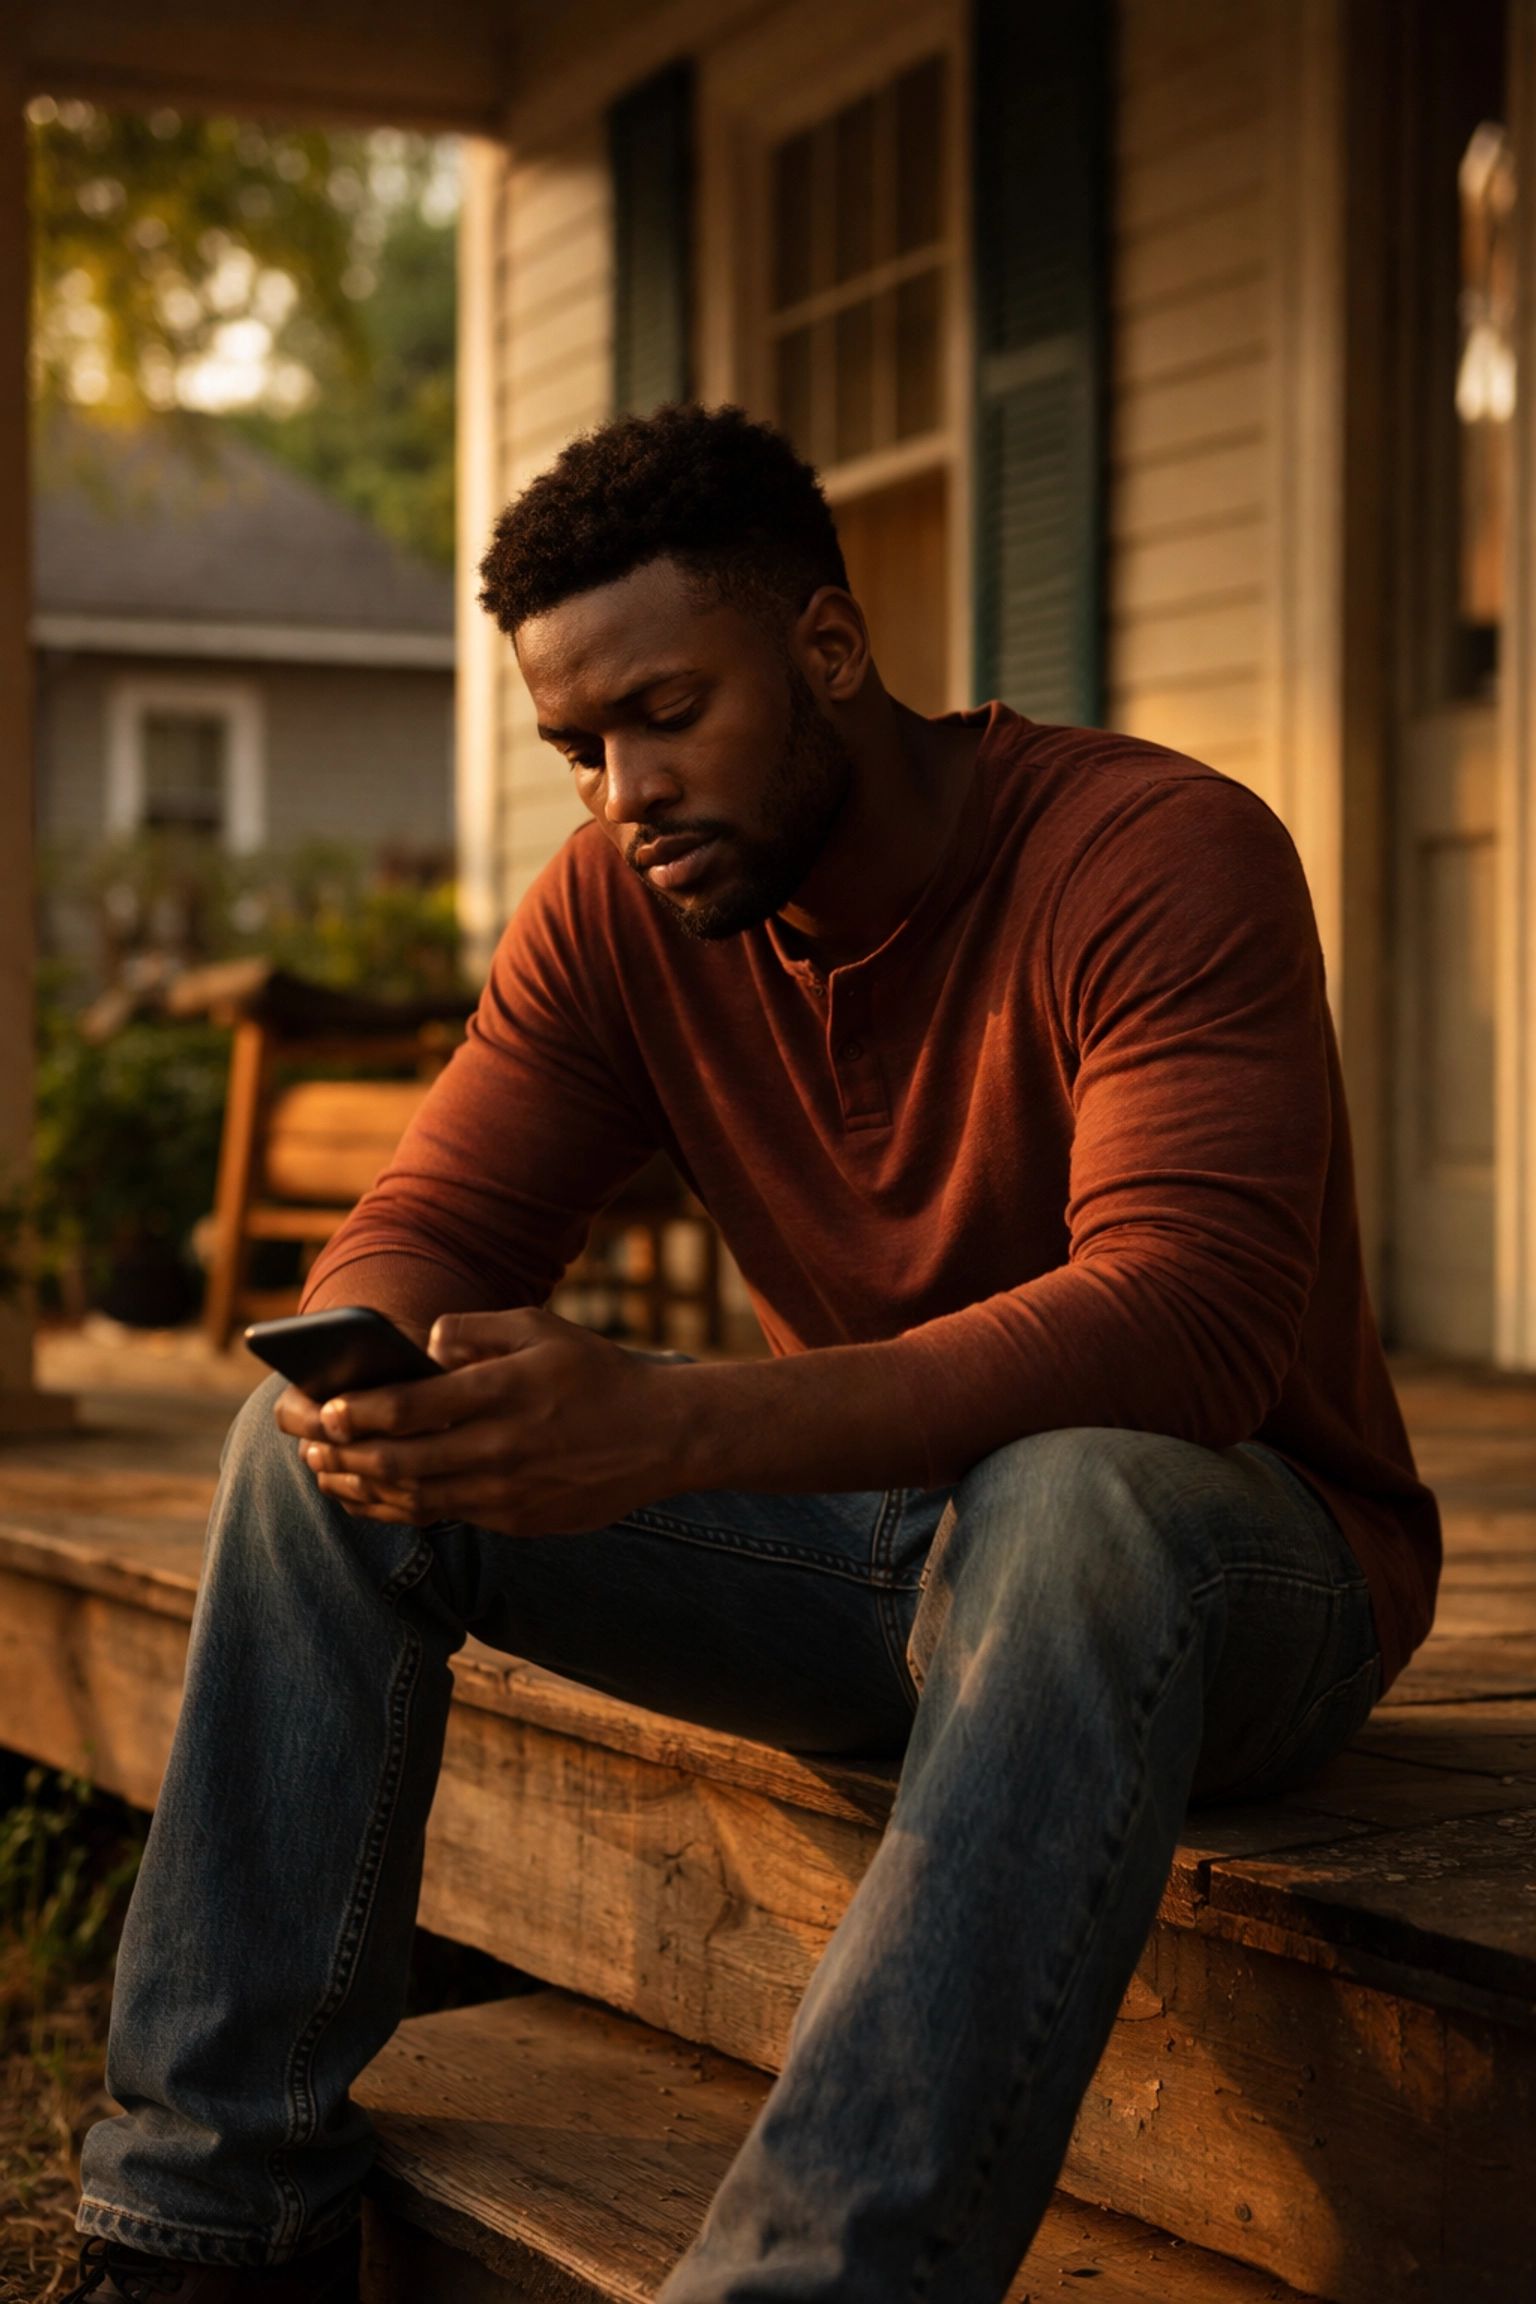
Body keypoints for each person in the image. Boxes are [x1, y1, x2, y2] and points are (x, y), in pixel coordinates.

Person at [67, 405, 1438, 2303]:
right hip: (873, 1559)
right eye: (578, 748)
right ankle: (210, 2228)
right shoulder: (620, 914)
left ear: (828, 649)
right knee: (302, 1454)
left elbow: (1189, 1329)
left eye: (662, 714)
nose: (620, 790)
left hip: (1235, 1579)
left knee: (1076, 1491)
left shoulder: (1152, 854)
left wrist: (673, 1425)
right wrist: (396, 1377)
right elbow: (421, 1232)